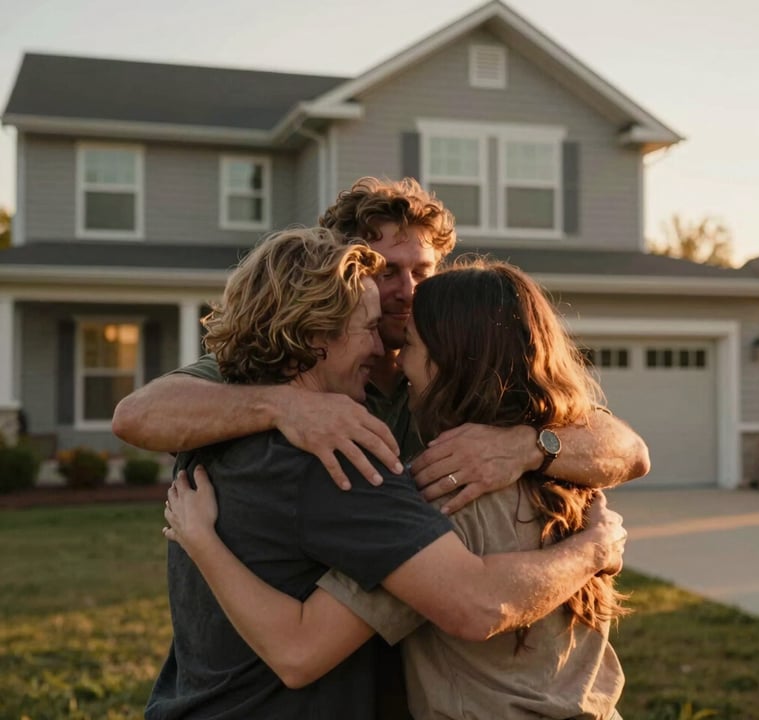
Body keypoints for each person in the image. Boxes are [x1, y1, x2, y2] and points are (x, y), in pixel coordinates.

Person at [147, 228, 628, 719]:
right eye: (370, 328)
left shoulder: (208, 436)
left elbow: (630, 450)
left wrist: (202, 542)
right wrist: (593, 549)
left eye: (405, 341)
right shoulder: (346, 465)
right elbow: (475, 602)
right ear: (317, 336)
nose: (385, 350)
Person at [112, 177, 650, 512]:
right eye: (389, 271)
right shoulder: (297, 362)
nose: (408, 291)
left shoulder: (464, 364)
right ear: (349, 269)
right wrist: (284, 406)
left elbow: (629, 451)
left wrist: (529, 447)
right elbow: (137, 415)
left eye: (422, 269)